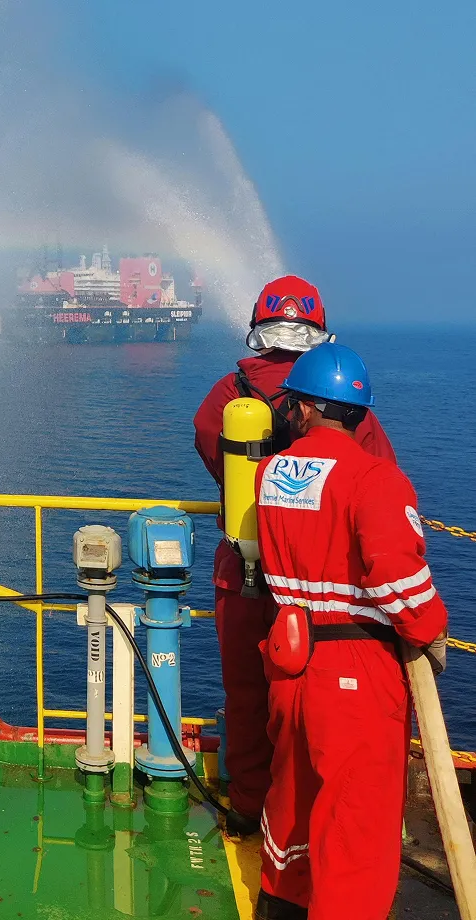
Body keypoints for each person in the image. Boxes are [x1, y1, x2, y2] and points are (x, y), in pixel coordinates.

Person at [192, 275, 396, 834]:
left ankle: (248, 807)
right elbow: (377, 478)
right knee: (310, 700)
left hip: (242, 570)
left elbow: (216, 458)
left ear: (259, 327)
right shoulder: (342, 396)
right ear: (319, 329)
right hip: (315, 585)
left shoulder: (227, 395)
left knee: (246, 693)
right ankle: (305, 817)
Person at [252, 342, 447, 920]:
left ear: (305, 409)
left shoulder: (270, 473)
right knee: (358, 818)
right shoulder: (374, 478)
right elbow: (395, 574)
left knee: (294, 794)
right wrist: (429, 629)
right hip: (357, 668)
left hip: (290, 659)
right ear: (357, 412)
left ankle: (282, 903)